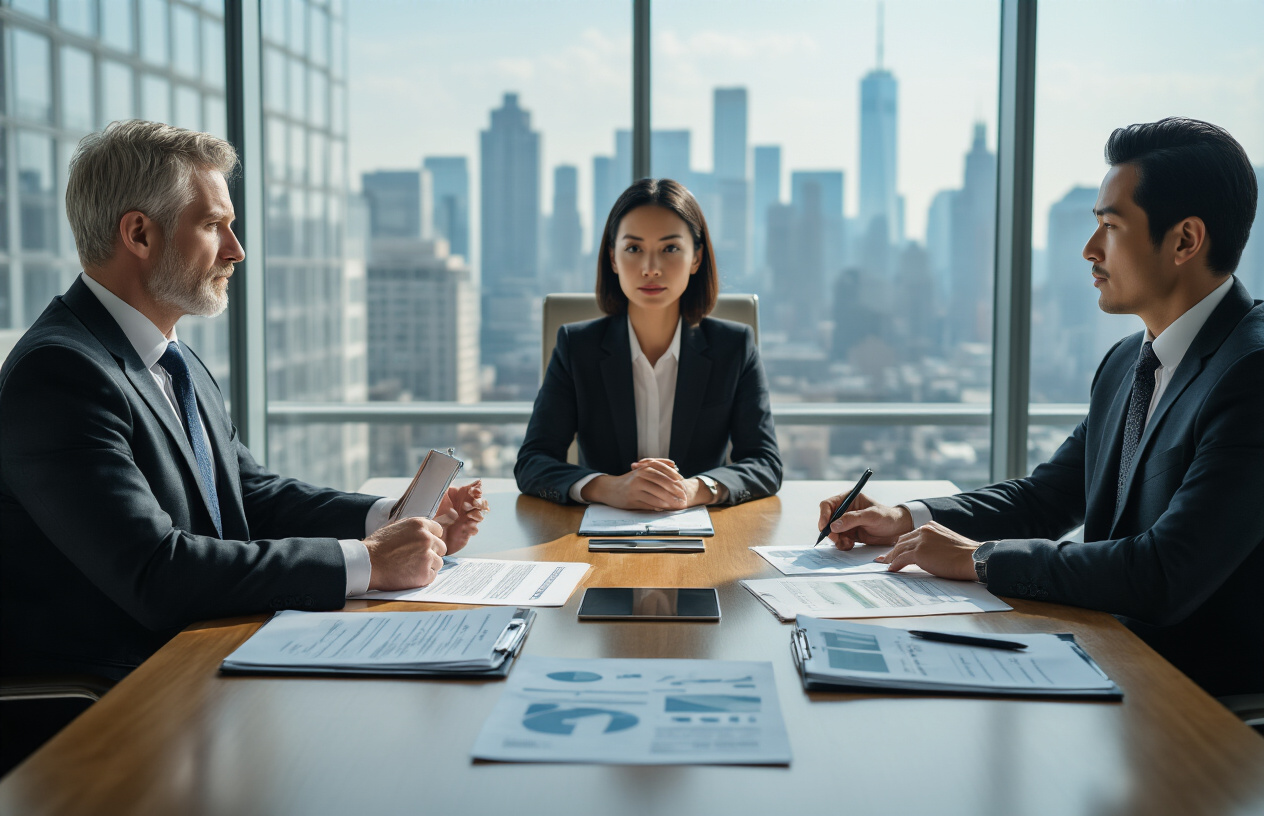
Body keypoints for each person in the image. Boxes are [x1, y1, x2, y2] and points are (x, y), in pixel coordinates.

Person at [0, 121, 488, 681]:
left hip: (201, 657)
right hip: (117, 696)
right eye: (213, 225)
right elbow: (156, 572)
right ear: (139, 234)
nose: (237, 250)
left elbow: (247, 496)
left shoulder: (169, 358)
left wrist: (391, 519)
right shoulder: (61, 373)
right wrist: (370, 561)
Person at [819, 118, 1262, 697]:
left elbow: (1165, 574)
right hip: (1106, 655)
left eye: (1110, 226)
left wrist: (981, 559)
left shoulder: (1251, 373)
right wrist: (909, 519)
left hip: (1197, 705)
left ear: (1184, 240)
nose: (1089, 250)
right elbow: (1048, 496)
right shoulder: (1130, 361)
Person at [515, 178, 781, 510]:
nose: (651, 269)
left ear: (696, 258)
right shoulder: (577, 347)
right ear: (613, 259)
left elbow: (765, 462)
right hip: (596, 539)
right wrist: (608, 488)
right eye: (633, 248)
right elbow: (532, 462)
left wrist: (696, 488)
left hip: (705, 539)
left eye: (670, 248)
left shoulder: (734, 347)